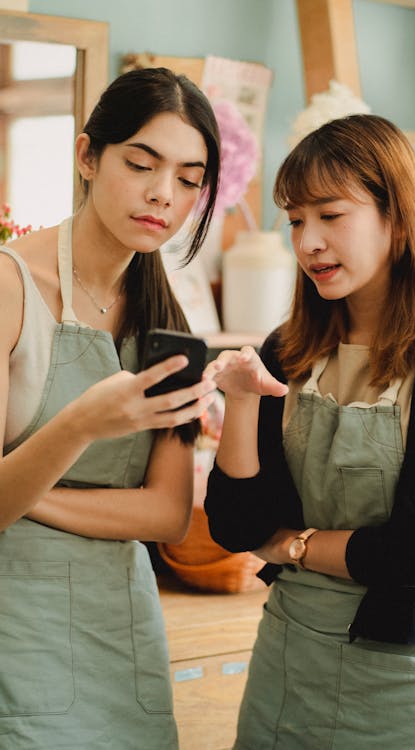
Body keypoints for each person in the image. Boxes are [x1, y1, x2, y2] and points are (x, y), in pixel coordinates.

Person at [204, 114, 415, 749]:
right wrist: (241, 401)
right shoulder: (287, 350)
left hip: (412, 684)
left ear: (396, 215)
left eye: (330, 215)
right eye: (294, 219)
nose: (308, 241)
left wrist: (296, 547)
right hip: (288, 661)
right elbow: (235, 524)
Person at [0, 67, 220, 749]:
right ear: (87, 157)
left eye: (188, 178)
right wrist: (82, 425)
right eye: (141, 163)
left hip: (122, 631)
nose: (163, 194)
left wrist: (32, 494)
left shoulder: (167, 313)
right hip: (16, 625)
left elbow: (165, 513)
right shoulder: (12, 288)